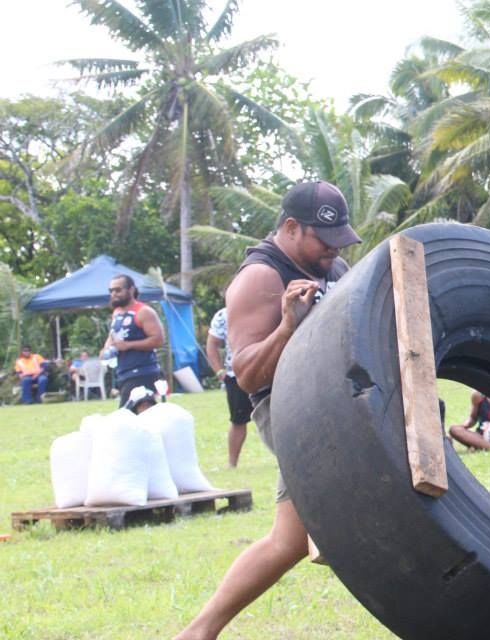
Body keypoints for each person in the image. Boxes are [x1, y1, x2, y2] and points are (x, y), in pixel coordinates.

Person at [176, 180, 360, 640]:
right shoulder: (260, 278)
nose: (332, 251)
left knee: (288, 541)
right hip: (290, 408)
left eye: (339, 239)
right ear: (292, 227)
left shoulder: (332, 264)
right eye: (324, 239)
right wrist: (286, 328)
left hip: (336, 398)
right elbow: (250, 376)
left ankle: (198, 633)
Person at [100, 274, 166, 408]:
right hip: (124, 372)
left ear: (131, 290)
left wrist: (129, 345)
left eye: (118, 290)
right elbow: (112, 335)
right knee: (138, 417)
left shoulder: (143, 312)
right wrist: (106, 349)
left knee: (130, 416)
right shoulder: (117, 312)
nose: (114, 294)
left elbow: (158, 340)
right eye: (111, 291)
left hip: (142, 372)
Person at [206, 307, 254, 468]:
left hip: (265, 369)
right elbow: (212, 344)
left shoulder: (265, 306)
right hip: (236, 374)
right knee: (238, 420)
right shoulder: (223, 315)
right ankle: (232, 463)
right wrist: (220, 371)